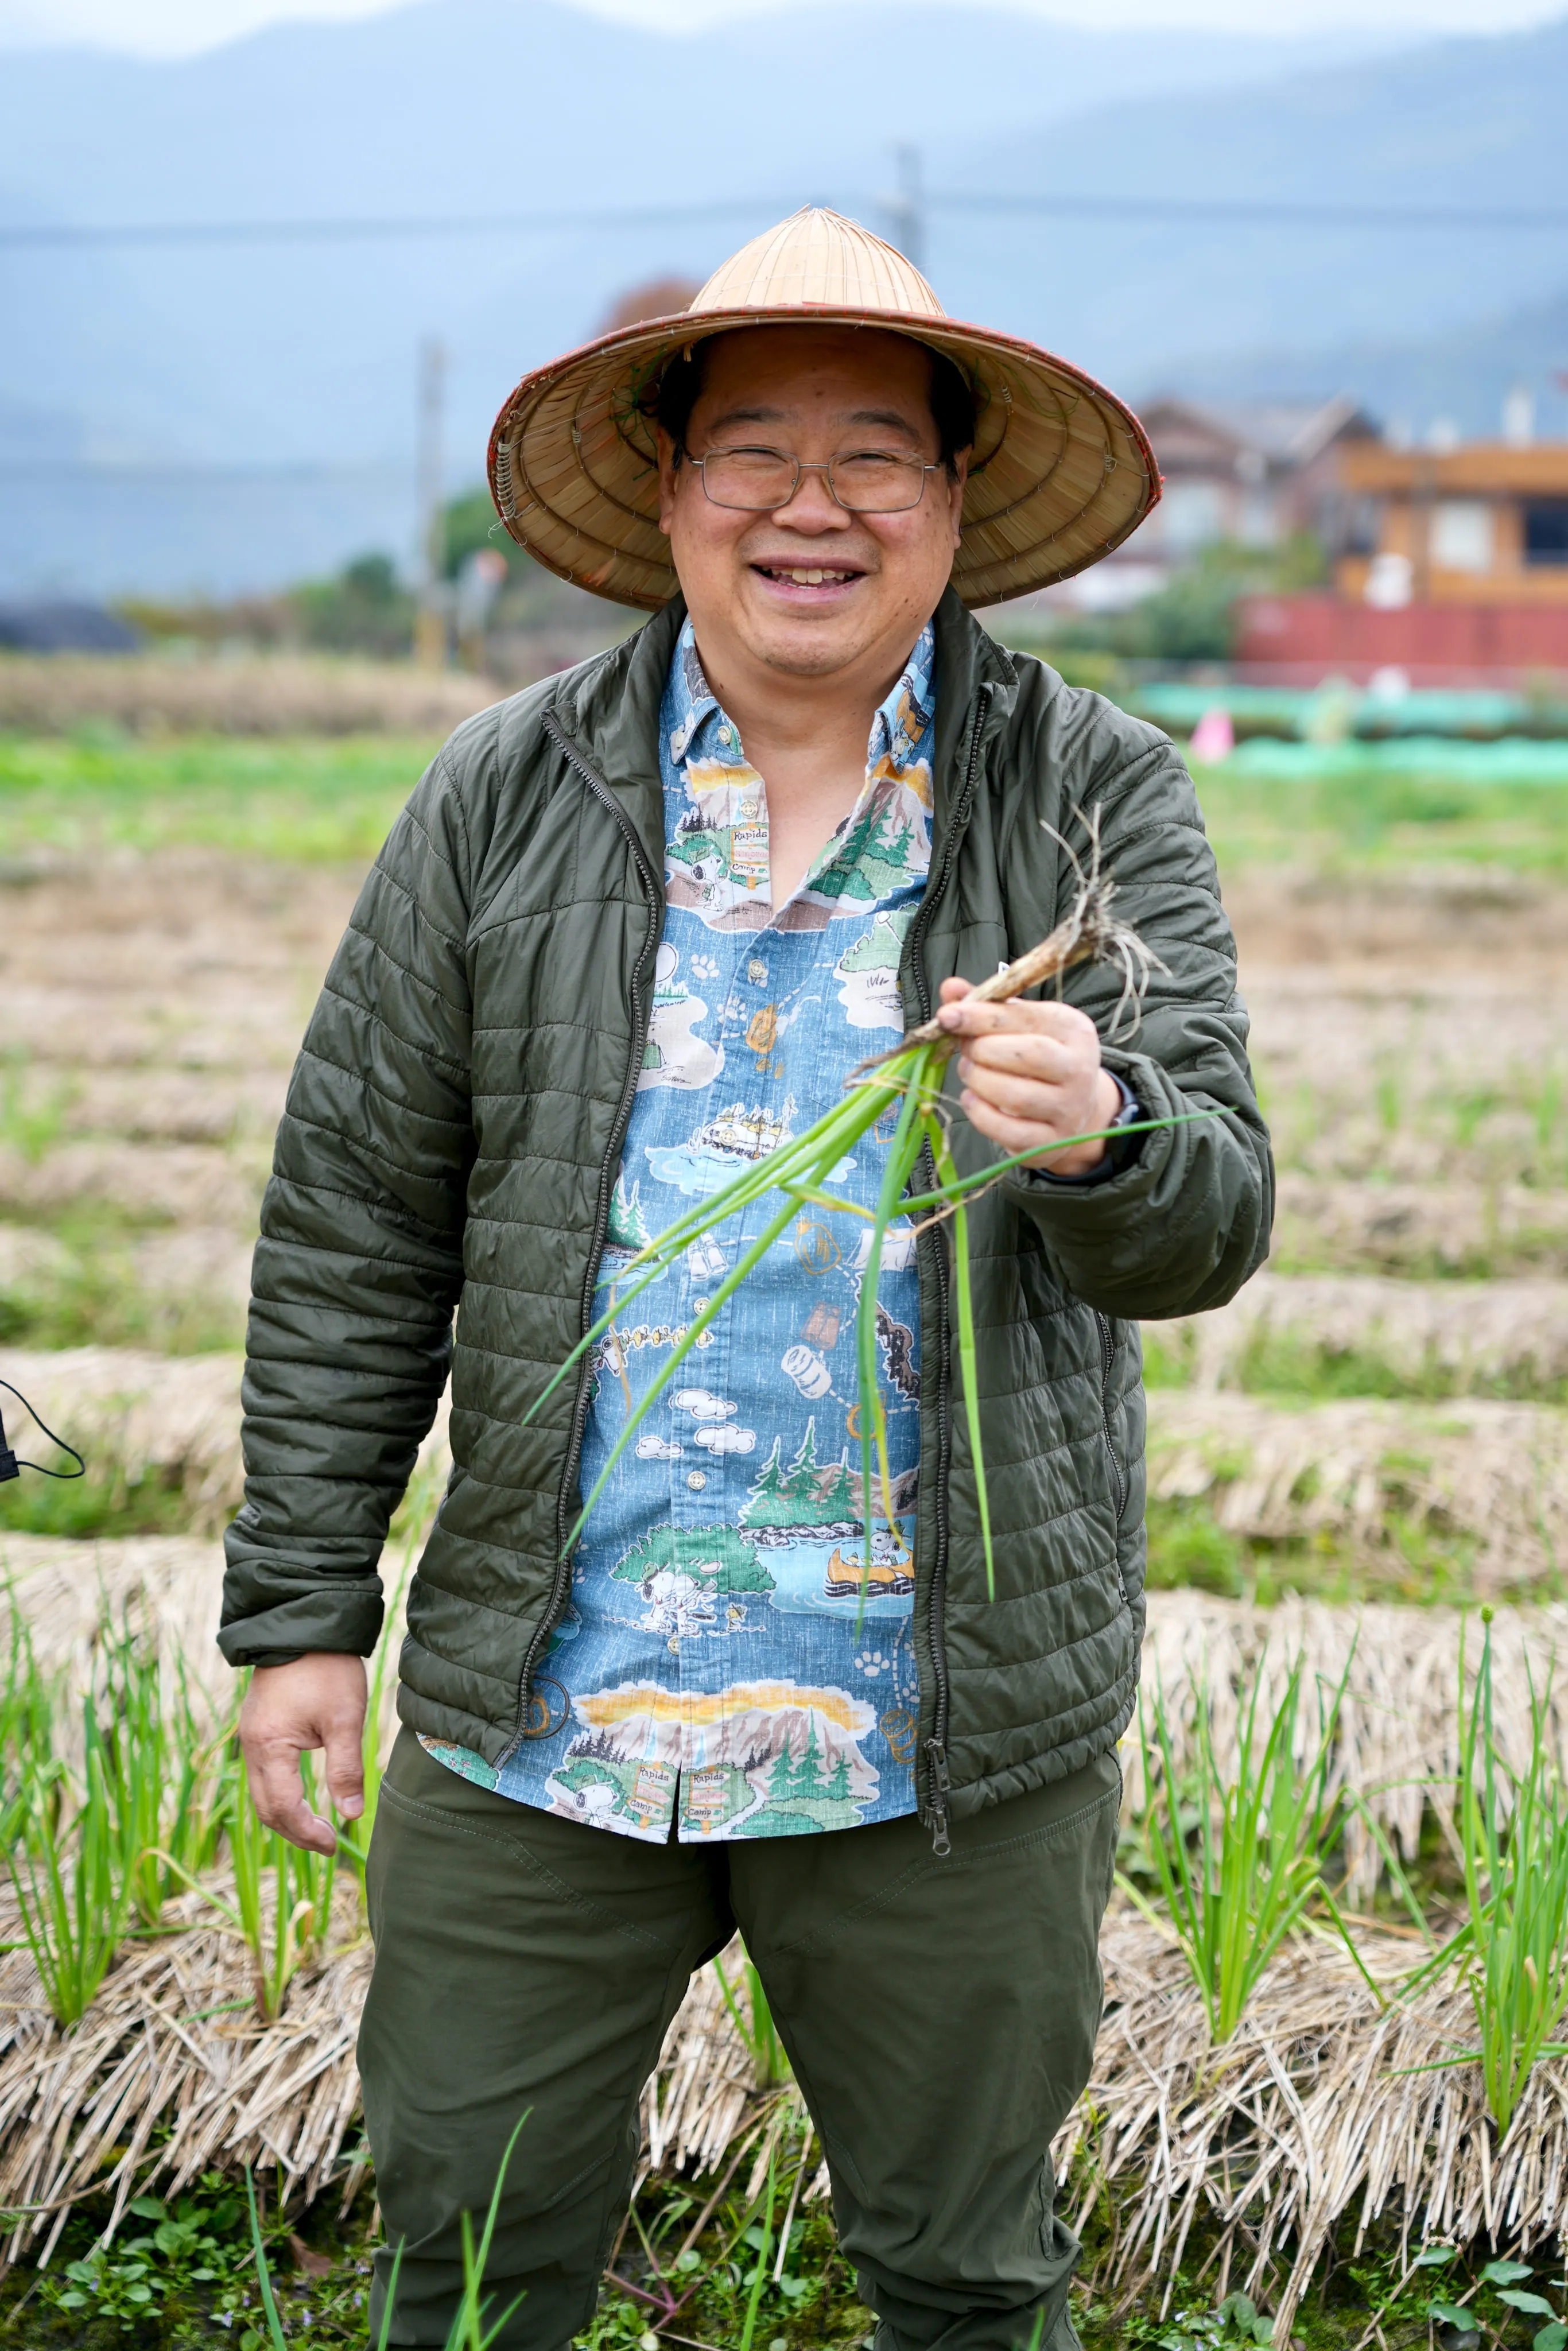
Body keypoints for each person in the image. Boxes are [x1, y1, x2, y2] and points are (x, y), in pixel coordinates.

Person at [222, 207, 1272, 2350]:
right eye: (754, 452)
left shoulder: (1090, 800)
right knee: (464, 2262)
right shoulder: (499, 798)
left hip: (940, 1730)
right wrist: (302, 1610)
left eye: (879, 454)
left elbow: (1210, 1220)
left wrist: (1101, 1137)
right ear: (673, 493)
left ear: (956, 506)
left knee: (966, 2281)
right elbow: (353, 1224)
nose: (815, 505)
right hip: (542, 1702)